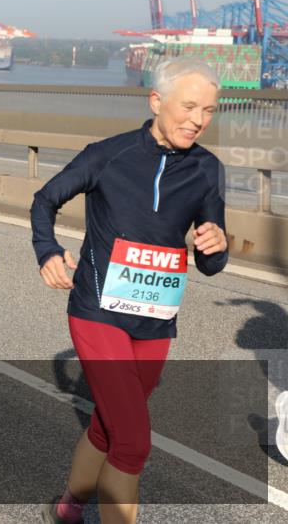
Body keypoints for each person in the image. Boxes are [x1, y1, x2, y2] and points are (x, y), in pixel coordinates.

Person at [31, 58, 227, 524]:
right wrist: (48, 251)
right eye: (189, 106)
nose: (198, 120)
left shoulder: (208, 169)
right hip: (97, 311)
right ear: (157, 101)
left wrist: (214, 245)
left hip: (156, 321)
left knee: (109, 425)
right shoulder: (108, 154)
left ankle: (68, 505)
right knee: (135, 443)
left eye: (210, 111)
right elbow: (45, 200)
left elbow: (212, 259)